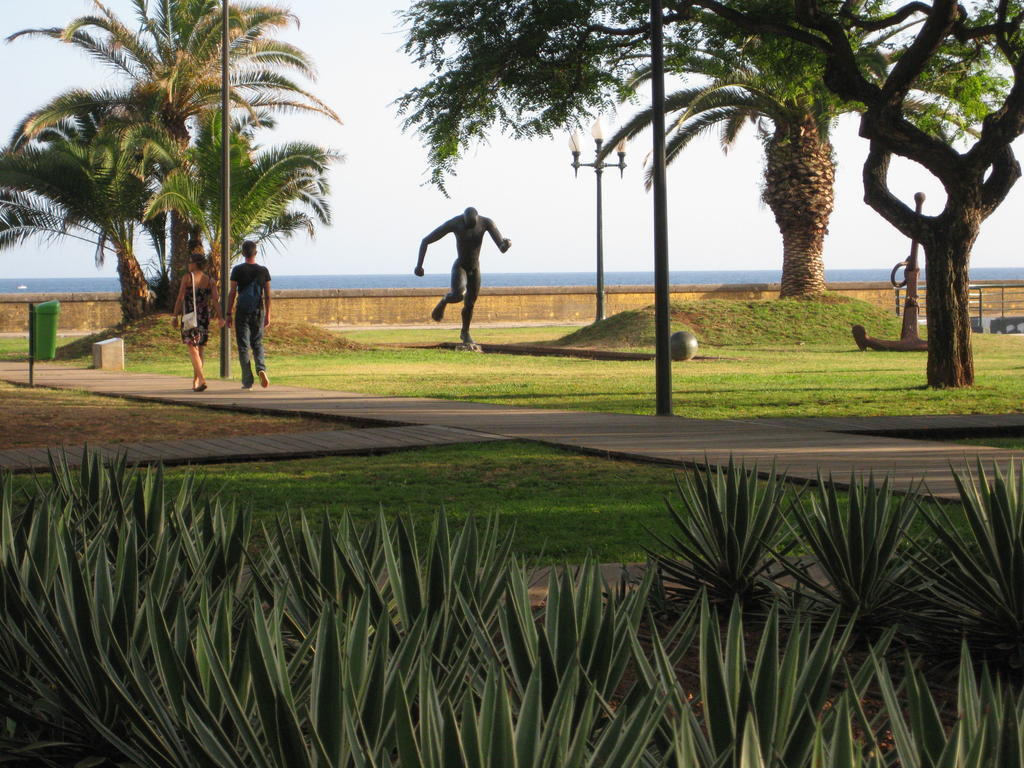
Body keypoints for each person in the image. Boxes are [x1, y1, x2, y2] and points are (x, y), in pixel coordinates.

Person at [414, 206, 511, 345]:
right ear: (463, 219)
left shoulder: (487, 223)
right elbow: (426, 240)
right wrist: (419, 265)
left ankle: (465, 332)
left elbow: (501, 247)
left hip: (475, 268)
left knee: (470, 303)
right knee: (458, 294)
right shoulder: (454, 223)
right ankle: (444, 300)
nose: (469, 228)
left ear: (477, 219)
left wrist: (507, 244)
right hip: (461, 266)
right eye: (467, 225)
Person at [172, 244, 224, 392]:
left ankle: (201, 378)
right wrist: (220, 317)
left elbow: (180, 298)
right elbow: (215, 300)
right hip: (204, 316)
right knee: (200, 348)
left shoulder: (188, 278)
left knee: (192, 347)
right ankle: (195, 380)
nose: (188, 264)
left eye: (190, 262)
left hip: (189, 316)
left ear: (195, 264)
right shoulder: (210, 280)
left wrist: (174, 316)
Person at [226, 240, 272, 389]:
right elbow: (268, 295)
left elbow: (232, 292)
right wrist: (268, 315)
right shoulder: (263, 271)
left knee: (243, 346)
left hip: (242, 312)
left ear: (243, 253)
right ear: (255, 253)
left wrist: (228, 313)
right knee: (257, 343)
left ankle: (247, 381)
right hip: (258, 311)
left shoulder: (237, 270)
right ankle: (261, 369)